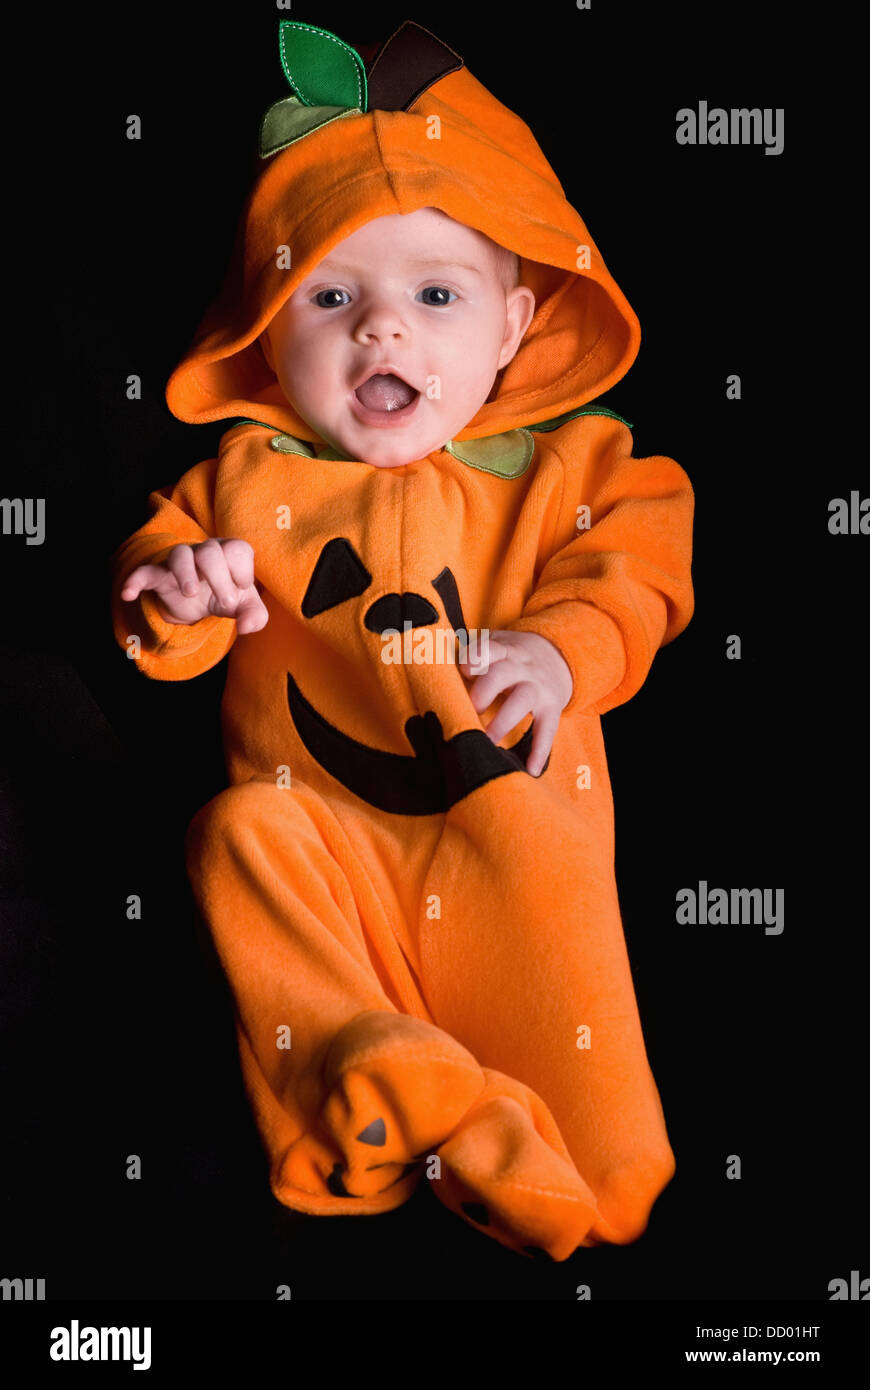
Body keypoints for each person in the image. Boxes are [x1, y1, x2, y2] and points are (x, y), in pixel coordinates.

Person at [110, 18, 694, 1261]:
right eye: (332, 296)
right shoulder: (244, 484)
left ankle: (471, 1129)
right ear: (268, 328)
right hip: (321, 848)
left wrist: (564, 648)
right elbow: (159, 601)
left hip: (508, 840)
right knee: (234, 836)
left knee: (612, 1181)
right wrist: (185, 592)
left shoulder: (570, 469)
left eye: (436, 294)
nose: (384, 330)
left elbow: (637, 567)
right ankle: (379, 1063)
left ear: (514, 324)